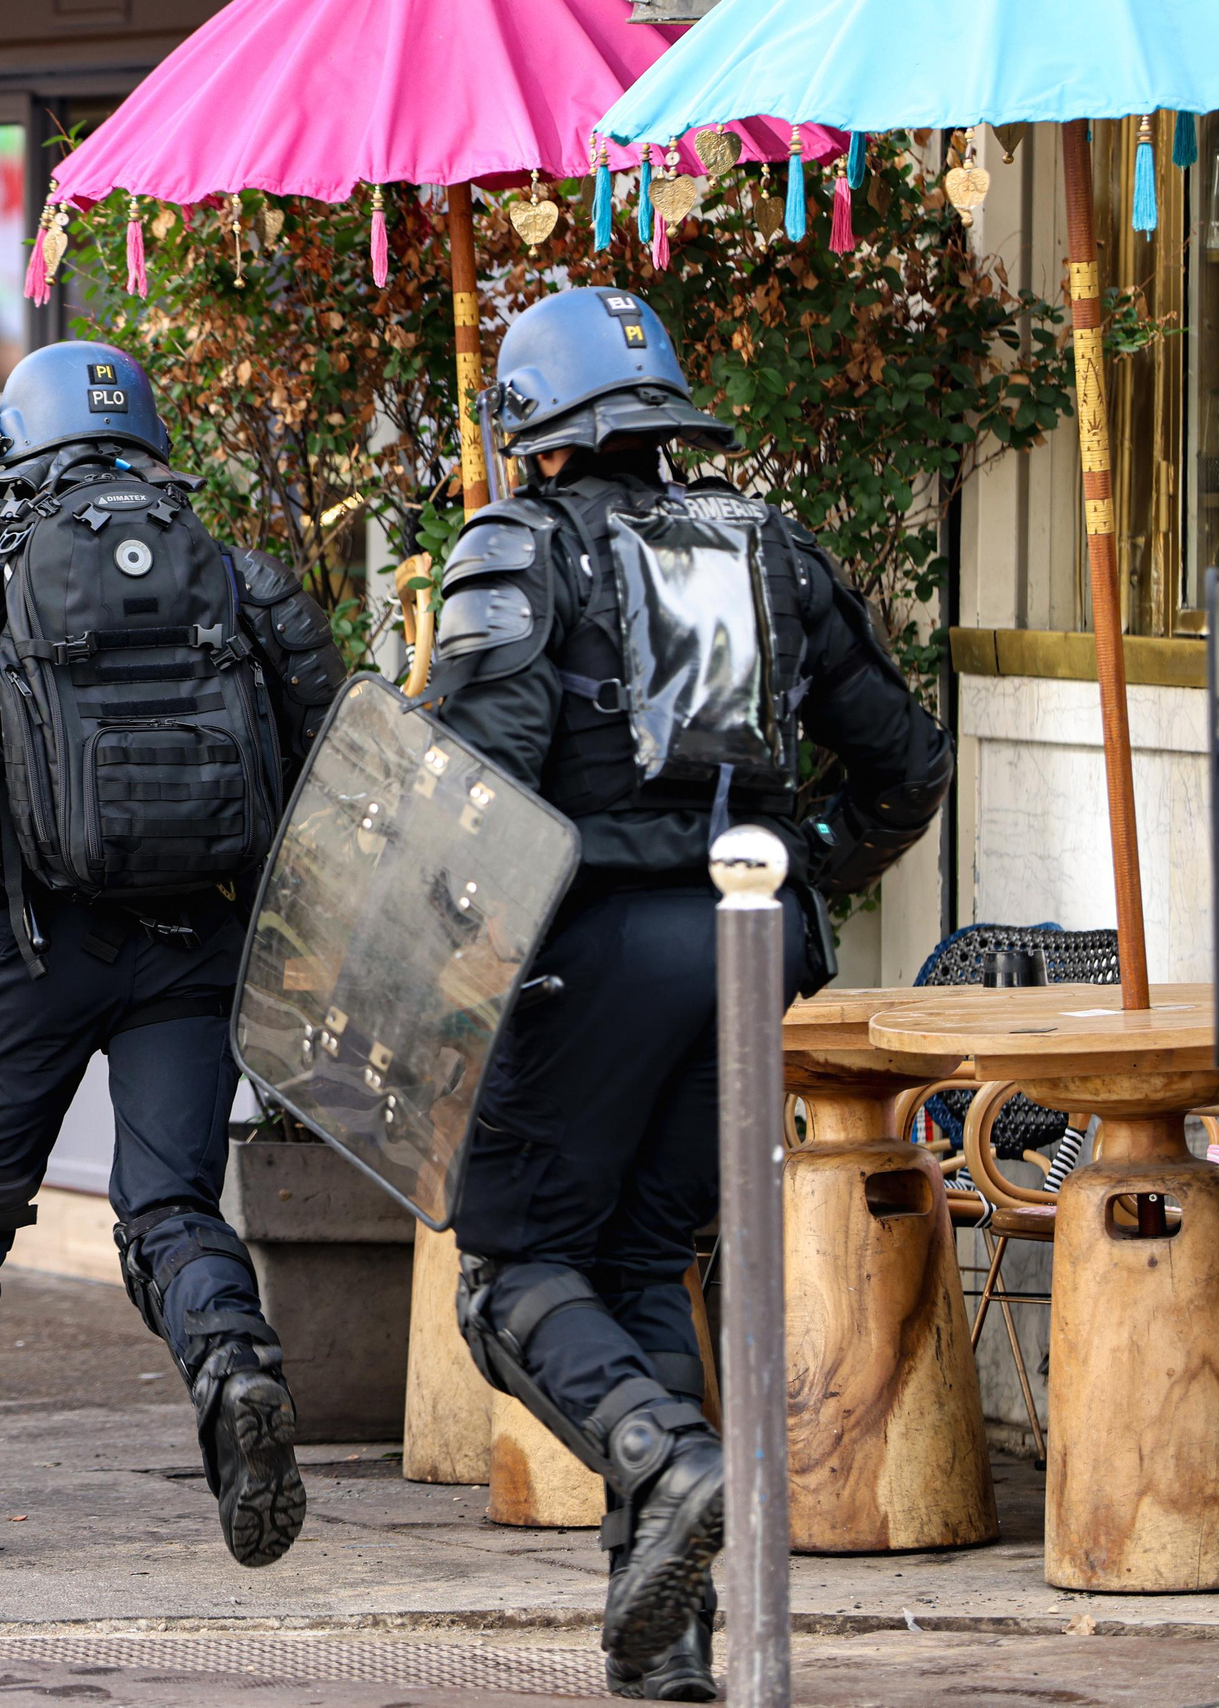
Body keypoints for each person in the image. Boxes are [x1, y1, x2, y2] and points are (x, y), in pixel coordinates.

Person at [428, 288, 951, 1700]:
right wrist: (798, 866)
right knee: (649, 1258)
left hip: (590, 953)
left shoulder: (517, 546)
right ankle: (667, 1644)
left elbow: (475, 791)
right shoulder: (770, 543)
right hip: (748, 944)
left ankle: (670, 1459)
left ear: (536, 425)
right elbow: (908, 762)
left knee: (514, 1274)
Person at [0, 341, 344, 1572]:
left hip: (33, 945)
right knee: (169, 1204)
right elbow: (333, 742)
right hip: (196, 940)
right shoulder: (228, 568)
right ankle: (232, 1360)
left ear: (20, 441)